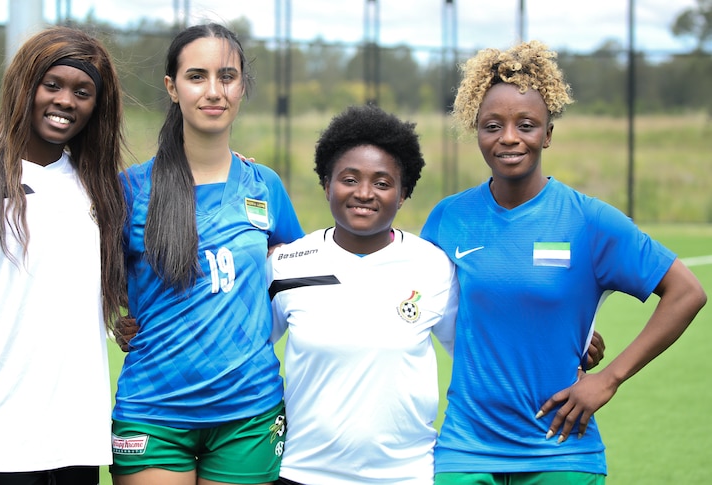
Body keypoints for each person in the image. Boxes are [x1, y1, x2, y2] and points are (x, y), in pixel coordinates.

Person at [420, 40, 707, 484]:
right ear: (475, 131)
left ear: (548, 134)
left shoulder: (589, 220)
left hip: (561, 450)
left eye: (527, 124)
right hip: (466, 447)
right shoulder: (448, 218)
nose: (509, 137)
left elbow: (687, 292)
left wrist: (609, 378)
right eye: (492, 125)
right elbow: (423, 303)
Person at [0, 26, 128, 485]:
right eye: (52, 84)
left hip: (78, 439)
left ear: (98, 105)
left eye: (83, 91)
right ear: (24, 84)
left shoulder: (105, 187)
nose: (66, 101)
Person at [110, 23, 304, 485]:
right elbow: (86, 272)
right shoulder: (131, 189)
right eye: (196, 76)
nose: (213, 91)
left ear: (241, 88)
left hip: (250, 413)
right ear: (171, 88)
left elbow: (298, 274)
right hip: (153, 412)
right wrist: (119, 315)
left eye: (227, 76)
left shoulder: (265, 186)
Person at [268, 104, 458, 484]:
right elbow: (242, 345)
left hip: (408, 475)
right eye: (349, 179)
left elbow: (481, 350)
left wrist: (568, 341)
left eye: (383, 183)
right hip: (302, 473)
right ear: (326, 184)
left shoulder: (433, 266)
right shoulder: (286, 264)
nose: (365, 194)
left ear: (404, 193)